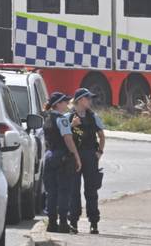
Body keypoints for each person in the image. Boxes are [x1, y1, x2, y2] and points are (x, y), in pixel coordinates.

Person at [42, 92, 81, 234]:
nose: (67, 104)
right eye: (64, 102)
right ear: (58, 104)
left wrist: (71, 125)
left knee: (51, 191)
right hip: (62, 157)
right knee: (64, 190)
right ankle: (63, 223)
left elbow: (55, 134)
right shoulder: (61, 119)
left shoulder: (47, 118)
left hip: (49, 156)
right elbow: (67, 138)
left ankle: (52, 223)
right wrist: (76, 156)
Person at [70, 88, 107, 235]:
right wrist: (72, 125)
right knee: (74, 190)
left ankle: (94, 222)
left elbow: (102, 136)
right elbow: (63, 135)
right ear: (79, 100)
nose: (90, 101)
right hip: (74, 156)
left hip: (90, 155)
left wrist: (99, 153)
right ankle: (73, 222)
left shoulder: (93, 117)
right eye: (87, 98)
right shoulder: (69, 117)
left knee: (91, 190)